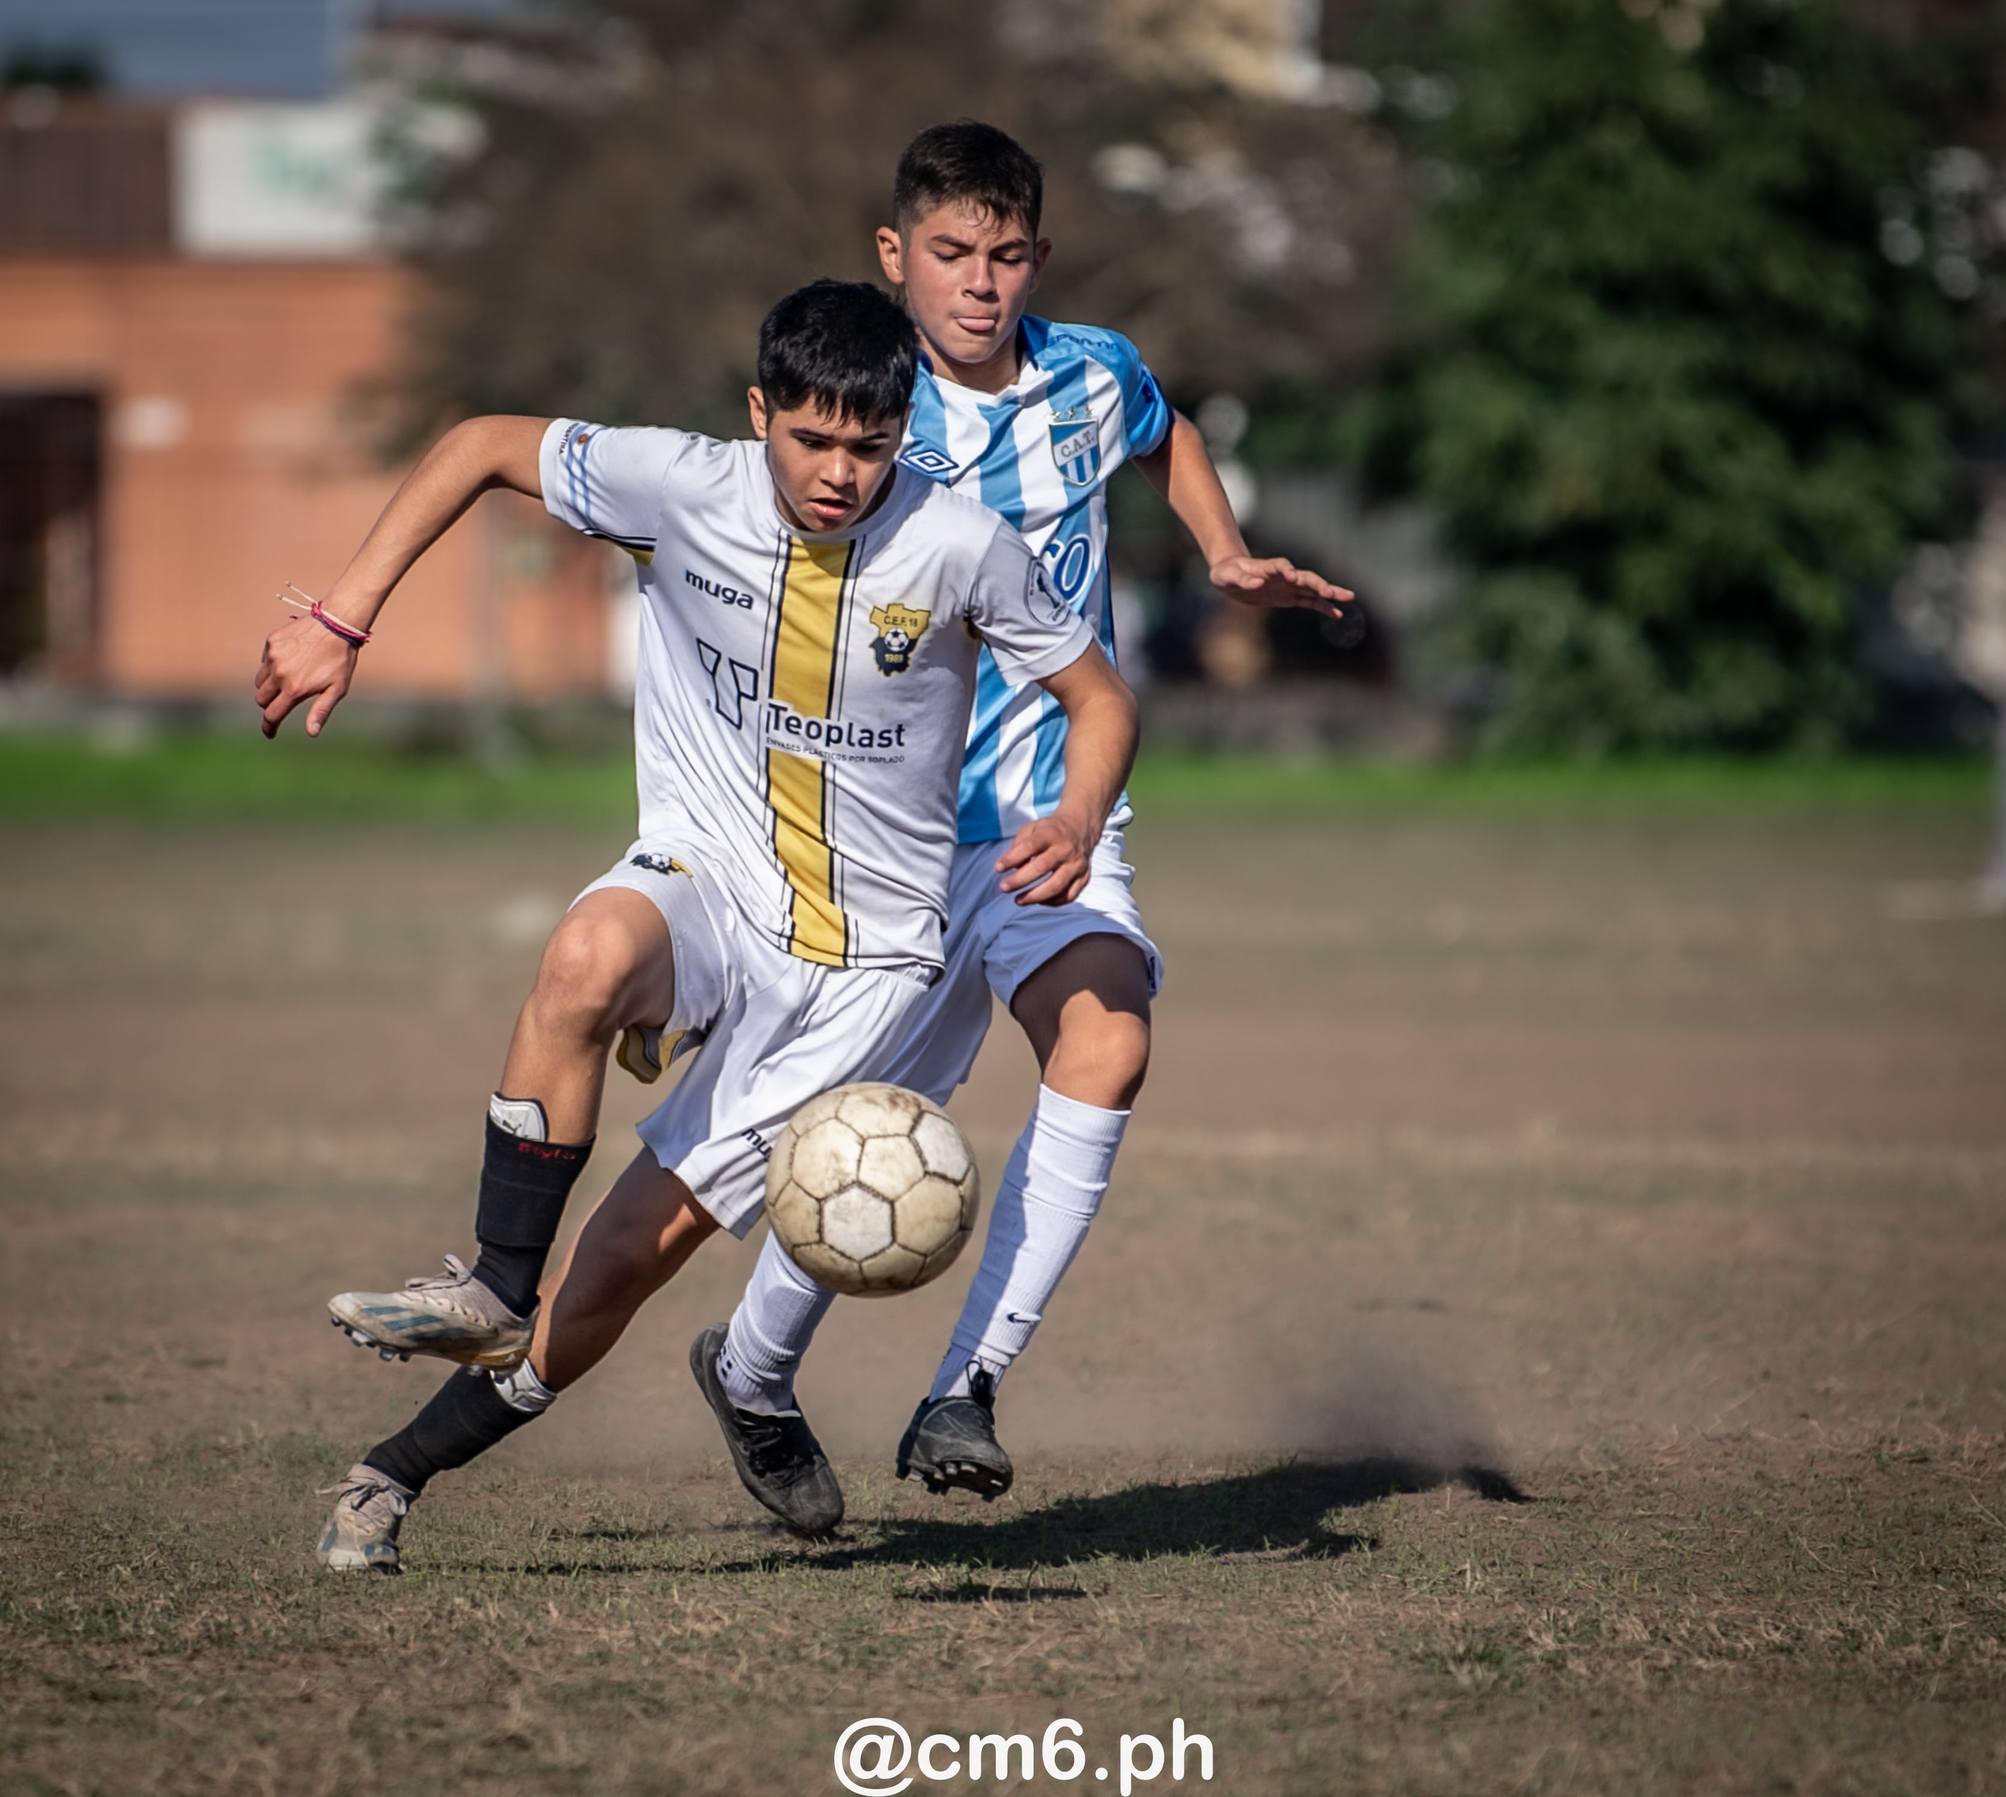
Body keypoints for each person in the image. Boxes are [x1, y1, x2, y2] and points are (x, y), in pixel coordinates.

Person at [255, 279, 1138, 1570]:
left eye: (871, 445)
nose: (840, 473)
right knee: (587, 954)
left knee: (616, 1271)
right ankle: (494, 1283)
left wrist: (1076, 812)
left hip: (865, 972)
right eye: (813, 439)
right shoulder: (677, 483)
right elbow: (481, 445)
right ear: (758, 412)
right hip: (709, 876)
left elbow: (1100, 697)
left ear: (904, 432)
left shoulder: (960, 547)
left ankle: (390, 1474)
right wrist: (342, 618)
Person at [701, 123, 1356, 1520]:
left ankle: (968, 1388)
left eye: (1005, 255)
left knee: (1109, 1037)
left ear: (1037, 257)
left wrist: (1224, 550)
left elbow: (1164, 421)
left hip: (1057, 818)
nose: (980, 283)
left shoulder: (1090, 371)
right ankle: (751, 1373)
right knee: (873, 1135)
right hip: (893, 837)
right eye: (949, 253)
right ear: (895, 257)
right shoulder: (863, 411)